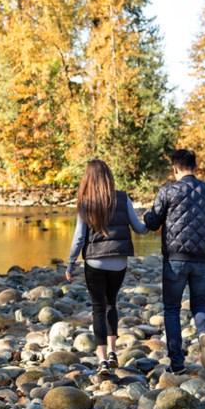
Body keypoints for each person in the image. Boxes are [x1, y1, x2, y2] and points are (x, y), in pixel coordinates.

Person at [143, 149, 205, 375]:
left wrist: (144, 218)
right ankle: (203, 332)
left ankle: (177, 364)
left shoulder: (168, 190)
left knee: (171, 309)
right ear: (195, 167)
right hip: (204, 261)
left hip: (175, 259)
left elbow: (154, 222)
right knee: (199, 304)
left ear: (175, 168)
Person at [66, 159, 147, 375]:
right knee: (111, 303)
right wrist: (153, 219)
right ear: (109, 176)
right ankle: (112, 352)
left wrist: (71, 263)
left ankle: (102, 360)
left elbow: (79, 237)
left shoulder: (85, 202)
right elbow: (139, 228)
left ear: (87, 179)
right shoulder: (122, 197)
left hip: (94, 261)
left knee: (98, 308)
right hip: (119, 261)